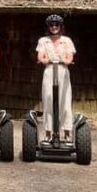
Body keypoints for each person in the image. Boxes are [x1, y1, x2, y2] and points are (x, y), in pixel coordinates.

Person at [36, 14, 75, 143]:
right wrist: (45, 60)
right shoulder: (43, 40)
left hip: (63, 71)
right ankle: (48, 133)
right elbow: (40, 57)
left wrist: (63, 60)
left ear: (60, 26)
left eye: (56, 25)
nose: (54, 27)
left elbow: (70, 59)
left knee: (65, 101)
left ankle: (67, 132)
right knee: (48, 101)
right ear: (48, 27)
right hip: (49, 71)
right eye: (51, 25)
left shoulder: (67, 40)